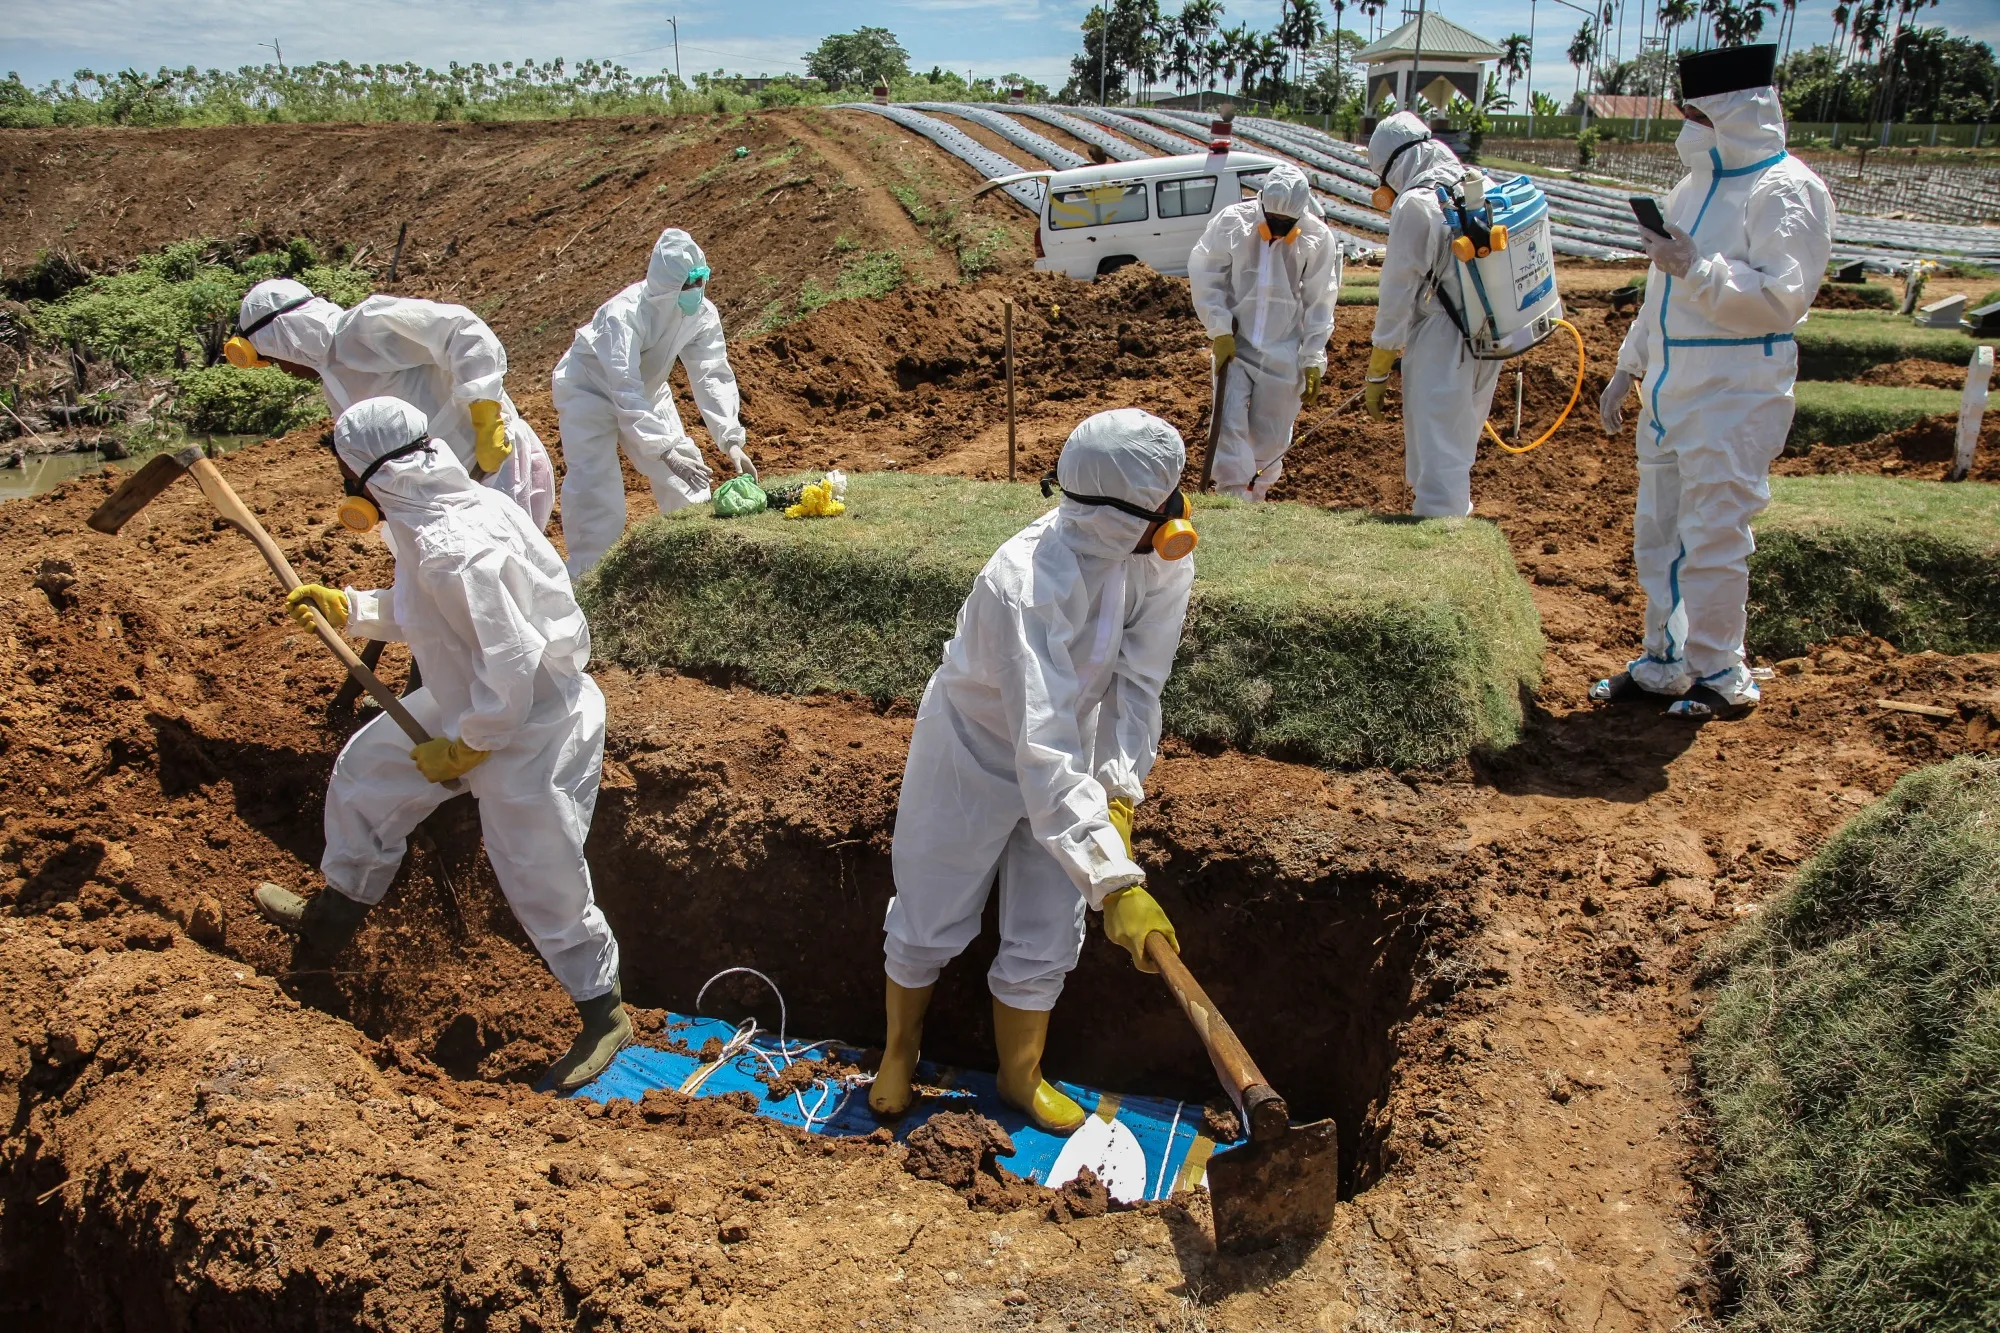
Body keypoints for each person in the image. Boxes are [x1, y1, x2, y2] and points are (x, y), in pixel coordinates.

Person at [255, 396, 628, 1092]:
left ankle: (603, 1010)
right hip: (472, 697)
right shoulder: (436, 519)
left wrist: (464, 748)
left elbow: (514, 667)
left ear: (373, 478)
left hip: (532, 725)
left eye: (349, 478)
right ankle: (332, 917)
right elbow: (427, 614)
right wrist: (351, 606)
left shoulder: (457, 545)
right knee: (366, 772)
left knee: (538, 873)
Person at [870, 409, 1194, 1133]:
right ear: (1111, 517)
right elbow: (1036, 743)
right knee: (931, 903)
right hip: (975, 750)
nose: (1177, 516)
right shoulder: (1026, 582)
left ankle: (1020, 1075)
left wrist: (1116, 794)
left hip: (1069, 757)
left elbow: (1139, 687)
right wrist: (1113, 882)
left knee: (1048, 927)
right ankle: (899, 1051)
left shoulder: (1161, 563)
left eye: (1177, 493)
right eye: (1162, 505)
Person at [1593, 43, 1833, 720]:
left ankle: (1721, 669)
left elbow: (1781, 299)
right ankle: (1665, 662)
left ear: (1734, 111)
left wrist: (1698, 269)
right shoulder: (1694, 187)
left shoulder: (1785, 190)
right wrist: (1628, 365)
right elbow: (1658, 293)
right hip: (1672, 386)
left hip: (1735, 389)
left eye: (1695, 111)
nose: (1685, 124)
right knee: (1660, 531)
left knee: (1715, 531)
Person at [226, 280, 555, 529]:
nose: (283, 369)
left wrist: (486, 418)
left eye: (273, 358)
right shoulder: (333, 381)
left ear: (281, 341)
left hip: (496, 470)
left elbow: (463, 330)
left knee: (517, 584)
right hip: (452, 496)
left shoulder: (362, 329)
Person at [550, 228, 756, 579]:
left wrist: (731, 438)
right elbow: (623, 386)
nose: (696, 292)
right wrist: (662, 447)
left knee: (685, 478)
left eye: (700, 282)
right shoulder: (624, 314)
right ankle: (590, 578)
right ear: (665, 283)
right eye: (688, 284)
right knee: (595, 487)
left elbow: (711, 372)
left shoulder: (701, 314)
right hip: (589, 391)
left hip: (648, 390)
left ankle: (695, 562)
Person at [1363, 111, 1503, 519]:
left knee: (1438, 447)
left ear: (1395, 164)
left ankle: (1441, 536)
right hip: (1488, 331)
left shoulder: (1416, 203)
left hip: (1444, 335)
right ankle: (1450, 517)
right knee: (1458, 442)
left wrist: (1380, 364)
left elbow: (1397, 291)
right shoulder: (1481, 185)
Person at [1188, 162, 1340, 502]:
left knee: (1271, 435)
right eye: (1272, 220)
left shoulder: (1317, 237)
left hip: (1284, 350)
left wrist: (1313, 355)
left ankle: (1255, 495)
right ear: (1260, 204)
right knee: (1227, 424)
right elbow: (1205, 271)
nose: (1277, 227)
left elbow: (1320, 299)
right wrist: (1220, 328)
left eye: (1286, 223)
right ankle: (1230, 495)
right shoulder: (1233, 222)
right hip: (1236, 345)